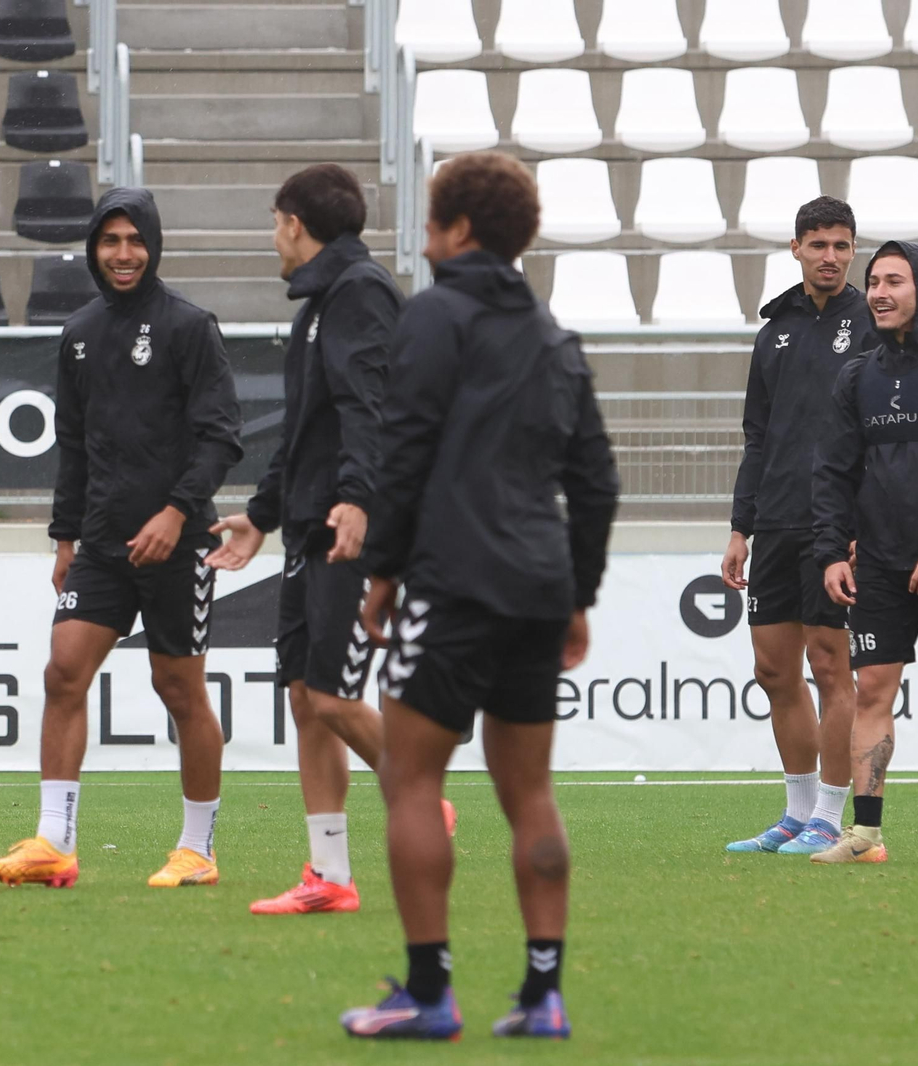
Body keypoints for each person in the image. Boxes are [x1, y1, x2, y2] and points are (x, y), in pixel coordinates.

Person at [337, 151, 618, 1042]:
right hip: (537, 587)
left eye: (431, 221)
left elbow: (404, 451)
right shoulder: (553, 335)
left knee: (411, 778)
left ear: (460, 229)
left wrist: (382, 572)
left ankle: (428, 993)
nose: (424, 237)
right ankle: (545, 995)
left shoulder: (433, 316)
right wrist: (577, 593)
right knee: (530, 791)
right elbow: (598, 482)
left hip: (453, 581)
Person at [0, 188, 244, 889]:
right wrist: (65, 537)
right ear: (93, 248)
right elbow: (74, 444)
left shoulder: (190, 326)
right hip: (100, 542)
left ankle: (197, 849)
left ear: (153, 245)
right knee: (63, 672)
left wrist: (176, 513)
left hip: (178, 542)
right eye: (110, 241)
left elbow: (221, 437)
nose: (123, 254)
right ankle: (54, 842)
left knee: (178, 687)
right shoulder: (79, 332)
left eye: (134, 240)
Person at [207, 163, 424, 916]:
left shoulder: (360, 293)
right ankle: (329, 875)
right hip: (309, 525)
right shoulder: (320, 305)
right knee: (306, 698)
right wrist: (261, 515)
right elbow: (305, 432)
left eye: (275, 224)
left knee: (330, 695)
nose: (273, 238)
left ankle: (418, 794)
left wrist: (358, 501)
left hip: (345, 528)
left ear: (295, 224)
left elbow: (371, 408)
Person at [720, 197, 875, 855]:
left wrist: (864, 523)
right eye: (818, 245)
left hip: (835, 525)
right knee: (773, 670)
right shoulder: (774, 331)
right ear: (796, 249)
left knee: (830, 665)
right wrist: (740, 527)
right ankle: (797, 811)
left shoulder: (871, 324)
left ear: (854, 250)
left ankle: (831, 818)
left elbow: (878, 436)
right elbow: (757, 436)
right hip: (776, 519)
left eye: (841, 245)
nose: (830, 257)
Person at [812, 240, 918, 864]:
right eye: (873, 281)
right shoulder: (857, 375)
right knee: (872, 689)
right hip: (877, 561)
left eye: (894, 281)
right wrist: (832, 551)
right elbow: (833, 472)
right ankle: (865, 837)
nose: (878, 292)